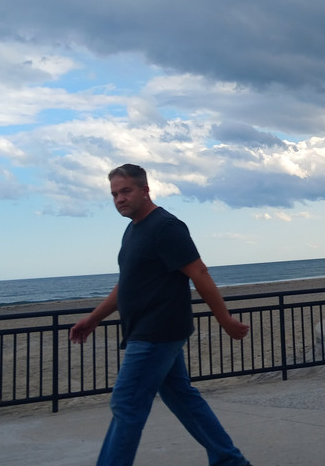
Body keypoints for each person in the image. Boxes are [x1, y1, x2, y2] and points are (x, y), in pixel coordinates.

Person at [69, 163, 254, 466]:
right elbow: (125, 285)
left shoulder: (165, 227)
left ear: (145, 190)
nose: (119, 198)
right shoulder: (133, 231)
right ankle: (229, 460)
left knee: (126, 403)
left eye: (125, 191)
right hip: (146, 330)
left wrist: (226, 321)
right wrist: (93, 319)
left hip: (157, 332)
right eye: (114, 194)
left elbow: (200, 273)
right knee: (181, 396)